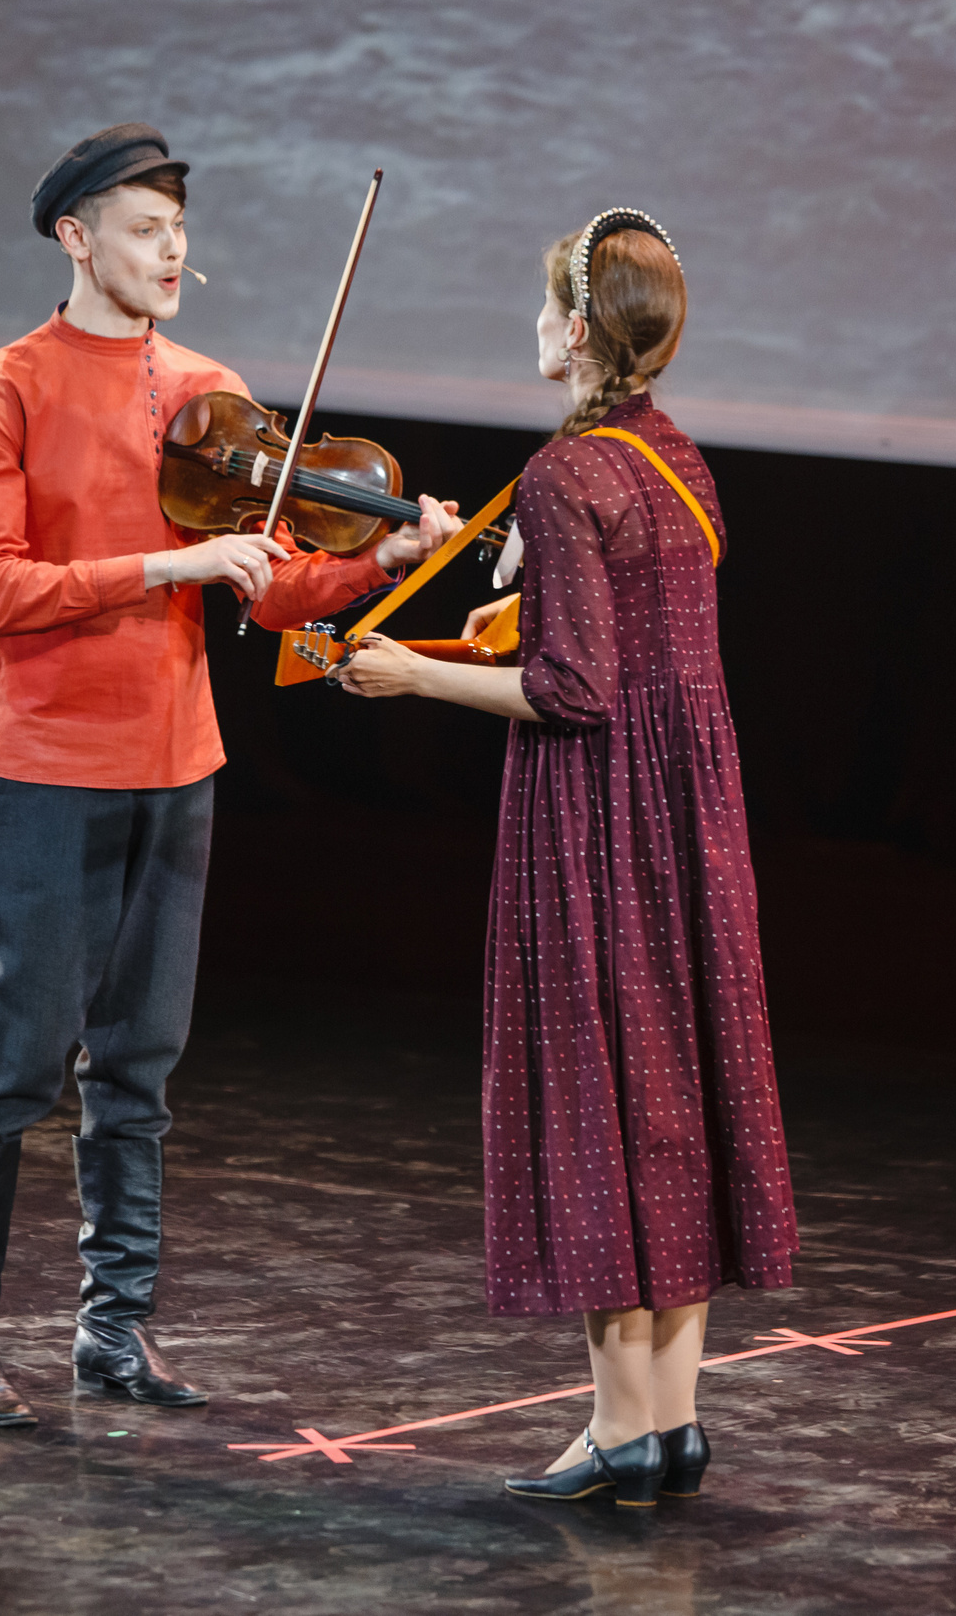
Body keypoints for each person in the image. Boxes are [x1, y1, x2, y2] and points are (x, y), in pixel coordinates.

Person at [0, 124, 459, 1428]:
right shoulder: (7, 391)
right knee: (16, 1066)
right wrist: (164, 568)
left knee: (142, 1070)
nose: (173, 252)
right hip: (48, 773)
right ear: (76, 236)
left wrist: (381, 562)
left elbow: (275, 591)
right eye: (148, 228)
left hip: (177, 772)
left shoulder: (210, 396)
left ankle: (116, 1332)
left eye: (181, 232)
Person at [333, 209, 796, 1505]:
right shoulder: (679, 460)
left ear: (580, 332)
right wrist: (523, 612)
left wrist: (416, 670)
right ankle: (670, 1421)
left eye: (544, 308)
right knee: (676, 1092)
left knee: (601, 1094)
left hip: (597, 820)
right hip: (692, 822)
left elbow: (581, 695)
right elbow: (635, 625)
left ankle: (613, 1429)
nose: (532, 328)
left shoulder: (560, 476)